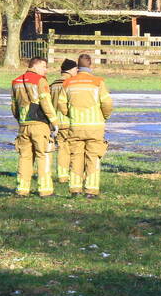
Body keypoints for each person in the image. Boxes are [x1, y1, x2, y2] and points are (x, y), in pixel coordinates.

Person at [56, 54, 113, 198]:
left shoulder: (68, 83)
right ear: (91, 65)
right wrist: (104, 116)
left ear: (78, 66)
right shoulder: (98, 82)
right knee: (93, 158)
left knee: (76, 157)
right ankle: (91, 190)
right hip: (95, 127)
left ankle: (75, 189)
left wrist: (70, 114)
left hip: (75, 126)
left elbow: (61, 104)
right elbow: (107, 103)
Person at [11, 56, 58, 197]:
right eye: (44, 67)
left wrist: (20, 119)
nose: (46, 70)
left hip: (24, 125)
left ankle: (22, 189)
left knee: (24, 157)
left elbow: (14, 105)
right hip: (39, 124)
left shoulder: (16, 81)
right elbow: (46, 103)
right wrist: (54, 122)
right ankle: (45, 190)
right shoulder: (40, 81)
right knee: (43, 156)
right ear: (35, 66)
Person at [49, 58, 78, 184]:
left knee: (61, 149)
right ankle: (73, 174)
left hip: (56, 123)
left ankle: (62, 176)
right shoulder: (71, 84)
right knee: (73, 150)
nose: (77, 71)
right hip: (69, 122)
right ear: (71, 70)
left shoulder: (53, 85)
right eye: (76, 69)